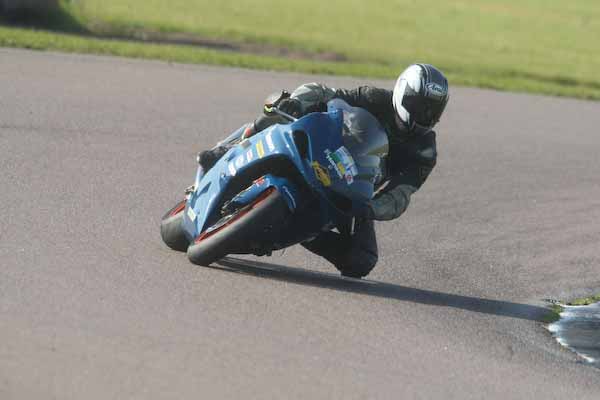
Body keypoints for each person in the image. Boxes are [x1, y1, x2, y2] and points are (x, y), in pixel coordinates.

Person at [198, 64, 449, 278]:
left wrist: (372, 208)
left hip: (355, 191)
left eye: (432, 110)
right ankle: (225, 150)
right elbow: (325, 94)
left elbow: (400, 195)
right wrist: (297, 102)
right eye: (418, 105)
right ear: (403, 92)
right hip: (326, 152)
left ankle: (304, 234)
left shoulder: (425, 151)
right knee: (279, 113)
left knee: (362, 260)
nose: (424, 115)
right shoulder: (373, 98)